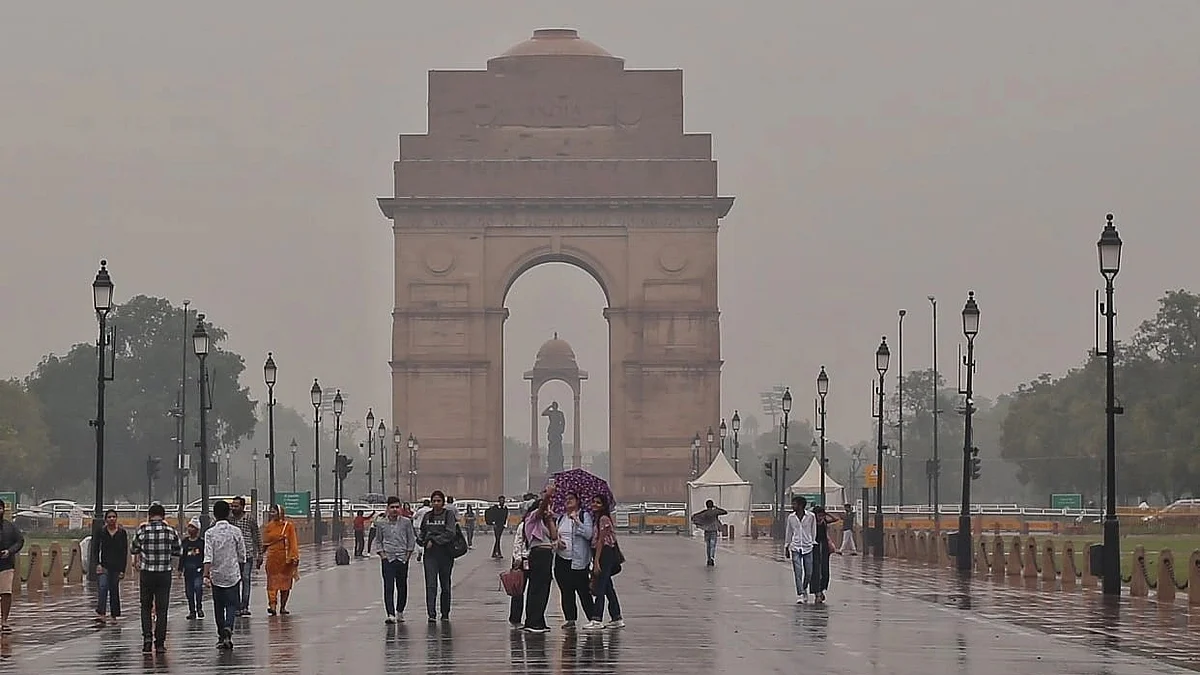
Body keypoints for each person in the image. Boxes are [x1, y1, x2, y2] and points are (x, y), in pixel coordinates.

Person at [130, 502, 181, 652]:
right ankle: (160, 643)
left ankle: (147, 637)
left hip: (147, 573)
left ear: (149, 516)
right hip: (164, 573)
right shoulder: (170, 531)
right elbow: (178, 550)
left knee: (145, 607)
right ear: (163, 516)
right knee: (162, 609)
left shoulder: (143, 530)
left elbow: (133, 548)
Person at [205, 500, 247, 650]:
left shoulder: (210, 533)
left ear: (214, 515)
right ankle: (229, 627)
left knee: (218, 605)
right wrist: (240, 569)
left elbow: (207, 556)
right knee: (231, 604)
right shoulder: (236, 531)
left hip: (217, 575)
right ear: (228, 513)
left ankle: (221, 635)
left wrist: (206, 574)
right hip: (232, 573)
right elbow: (242, 554)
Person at [555, 492, 600, 629]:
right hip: (562, 559)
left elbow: (588, 534)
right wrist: (558, 542)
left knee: (583, 591)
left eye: (571, 499)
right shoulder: (561, 518)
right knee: (566, 591)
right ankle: (570, 619)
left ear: (578, 501)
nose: (568, 501)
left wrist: (576, 521)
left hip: (579, 560)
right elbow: (555, 534)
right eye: (566, 499)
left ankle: (592, 618)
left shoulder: (584, 515)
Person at [416, 491, 457, 623]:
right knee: (431, 585)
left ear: (443, 502)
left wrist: (433, 540)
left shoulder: (448, 514)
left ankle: (445, 613)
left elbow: (450, 533)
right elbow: (422, 532)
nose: (436, 503)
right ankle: (431, 613)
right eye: (434, 501)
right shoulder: (428, 515)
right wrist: (421, 540)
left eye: (439, 501)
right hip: (430, 555)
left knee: (445, 584)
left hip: (445, 554)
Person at [373, 496, 416, 623]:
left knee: (402, 586)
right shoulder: (381, 524)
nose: (395, 510)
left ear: (401, 508)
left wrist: (408, 555)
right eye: (392, 507)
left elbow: (411, 539)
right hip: (388, 558)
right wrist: (382, 555)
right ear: (387, 509)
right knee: (388, 586)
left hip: (402, 558)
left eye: (397, 507)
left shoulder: (406, 522)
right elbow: (378, 540)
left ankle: (400, 611)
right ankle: (390, 613)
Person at [521, 492, 558, 633]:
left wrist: (549, 520)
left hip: (547, 556)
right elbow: (541, 509)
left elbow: (554, 537)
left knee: (544, 589)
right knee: (536, 589)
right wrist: (548, 496)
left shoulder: (544, 521)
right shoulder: (532, 519)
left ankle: (539, 620)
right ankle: (532, 621)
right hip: (538, 554)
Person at [588, 494, 624, 628]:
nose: (594, 504)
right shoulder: (596, 519)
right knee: (608, 587)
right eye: (593, 502)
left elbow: (601, 541)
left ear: (603, 506)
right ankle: (616, 617)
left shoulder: (603, 519)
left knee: (601, 587)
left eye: (598, 503)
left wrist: (596, 561)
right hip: (600, 553)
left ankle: (597, 618)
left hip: (605, 554)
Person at [261, 504, 301, 616]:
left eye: (274, 512)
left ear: (280, 513)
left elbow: (293, 541)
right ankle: (272, 605)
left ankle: (283, 607)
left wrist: (294, 557)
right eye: (271, 512)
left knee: (285, 583)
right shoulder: (269, 527)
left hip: (286, 559)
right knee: (272, 583)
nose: (272, 514)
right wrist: (260, 556)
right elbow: (265, 543)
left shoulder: (288, 526)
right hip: (272, 558)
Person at [93, 509, 128, 624]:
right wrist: (97, 564)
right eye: (109, 517)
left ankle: (114, 615)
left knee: (114, 590)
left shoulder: (122, 533)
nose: (112, 519)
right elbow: (96, 548)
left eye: (114, 517)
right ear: (106, 519)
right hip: (104, 566)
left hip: (116, 567)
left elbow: (124, 552)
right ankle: (101, 613)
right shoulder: (101, 532)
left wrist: (122, 570)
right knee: (103, 587)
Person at [506, 500, 537, 629]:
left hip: (536, 560)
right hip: (523, 560)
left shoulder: (546, 526)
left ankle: (533, 619)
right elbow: (518, 543)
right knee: (518, 591)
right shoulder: (523, 526)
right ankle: (515, 618)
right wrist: (517, 559)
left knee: (534, 592)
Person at [229, 496, 261, 617]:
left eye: (236, 506)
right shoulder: (230, 519)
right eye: (232, 506)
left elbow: (256, 535)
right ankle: (237, 606)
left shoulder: (249, 519)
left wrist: (260, 553)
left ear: (243, 507)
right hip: (233, 554)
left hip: (247, 554)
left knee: (246, 578)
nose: (234, 508)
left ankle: (245, 606)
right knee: (235, 580)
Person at [784, 496, 816, 604]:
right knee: (798, 572)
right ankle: (801, 594)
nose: (793, 506)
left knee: (809, 572)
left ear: (801, 505)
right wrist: (787, 546)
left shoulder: (811, 516)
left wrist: (812, 542)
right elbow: (789, 532)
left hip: (808, 547)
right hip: (795, 546)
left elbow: (813, 530)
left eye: (794, 504)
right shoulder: (791, 517)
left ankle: (804, 587)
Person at [0, 499, 25, 634]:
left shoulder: (10, 527)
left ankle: (4, 620)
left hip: (6, 564)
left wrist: (9, 551)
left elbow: (20, 540)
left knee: (6, 592)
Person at [809, 505, 842, 603]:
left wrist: (827, 513)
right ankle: (817, 592)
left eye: (822, 515)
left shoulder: (824, 522)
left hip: (824, 548)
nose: (821, 518)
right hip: (814, 547)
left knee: (825, 570)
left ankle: (822, 589)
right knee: (816, 571)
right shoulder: (812, 523)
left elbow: (836, 519)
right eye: (819, 515)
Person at [178, 518, 205, 619]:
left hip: (198, 570)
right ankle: (192, 611)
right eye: (189, 526)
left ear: (197, 530)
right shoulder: (185, 542)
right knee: (189, 592)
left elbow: (205, 555)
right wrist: (180, 569)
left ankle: (199, 607)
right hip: (188, 571)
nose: (190, 529)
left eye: (193, 527)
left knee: (198, 588)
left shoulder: (201, 542)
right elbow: (182, 556)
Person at [691, 500, 728, 566]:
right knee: (712, 545)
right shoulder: (714, 512)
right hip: (713, 530)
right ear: (712, 504)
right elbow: (725, 512)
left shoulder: (704, 512)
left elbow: (694, 516)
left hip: (706, 530)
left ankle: (708, 559)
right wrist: (716, 508)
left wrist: (699, 523)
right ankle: (712, 558)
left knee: (708, 545)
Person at [413, 498, 432, 563]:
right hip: (428, 526)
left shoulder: (420, 510)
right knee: (427, 540)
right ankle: (425, 552)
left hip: (418, 526)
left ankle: (420, 551)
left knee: (419, 539)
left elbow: (415, 517)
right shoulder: (431, 510)